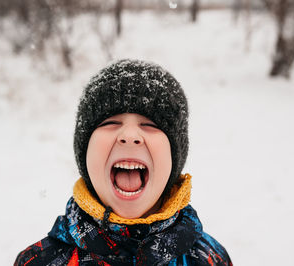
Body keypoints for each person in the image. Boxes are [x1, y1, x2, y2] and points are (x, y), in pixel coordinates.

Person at [14, 59, 232, 265]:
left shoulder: (210, 259)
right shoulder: (39, 261)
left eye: (150, 124)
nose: (129, 135)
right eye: (111, 122)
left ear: (174, 157)